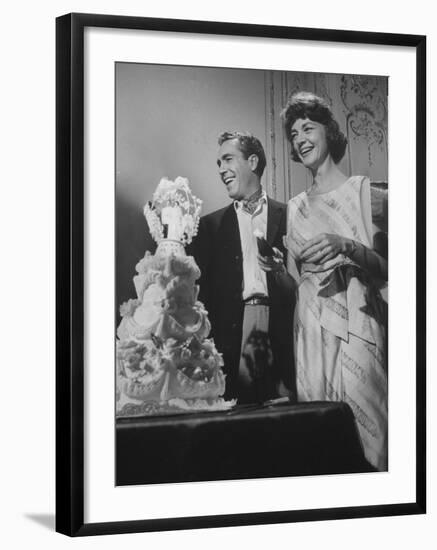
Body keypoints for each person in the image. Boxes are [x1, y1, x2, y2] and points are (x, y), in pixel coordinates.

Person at [260, 92, 388, 470]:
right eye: (294, 133)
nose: (299, 138)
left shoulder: (366, 193)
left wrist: (346, 245)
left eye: (307, 127)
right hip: (312, 331)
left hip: (357, 326)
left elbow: (389, 269)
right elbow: (299, 287)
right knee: (322, 437)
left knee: (372, 433)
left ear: (329, 132)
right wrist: (279, 272)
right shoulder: (295, 207)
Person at [189, 131, 296, 404]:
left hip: (285, 331)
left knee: (285, 419)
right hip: (231, 335)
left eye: (227, 159)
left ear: (252, 161)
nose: (222, 170)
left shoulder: (291, 215)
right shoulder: (209, 227)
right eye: (218, 164)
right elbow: (201, 299)